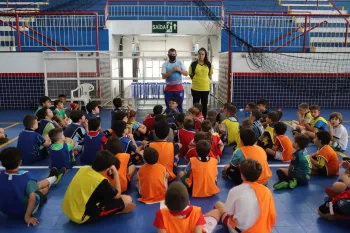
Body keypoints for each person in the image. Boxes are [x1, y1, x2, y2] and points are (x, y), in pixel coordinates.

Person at [62, 150, 136, 224]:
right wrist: (116, 174)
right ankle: (117, 210)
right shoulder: (101, 181)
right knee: (127, 199)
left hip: (68, 211)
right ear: (109, 169)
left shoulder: (83, 168)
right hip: (81, 217)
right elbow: (118, 195)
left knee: (105, 196)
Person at [0, 147, 65, 226]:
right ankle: (54, 178)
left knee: (33, 186)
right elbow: (32, 197)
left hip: (5, 210)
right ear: (20, 162)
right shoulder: (25, 175)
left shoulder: (1, 174)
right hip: (23, 211)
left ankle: (52, 178)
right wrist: (27, 216)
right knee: (41, 191)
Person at [215, 159, 276, 233]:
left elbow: (229, 212)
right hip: (262, 230)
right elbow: (271, 214)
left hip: (239, 231)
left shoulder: (235, 191)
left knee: (218, 205)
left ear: (242, 175)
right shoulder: (267, 191)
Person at [153, 182, 221, 233]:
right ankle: (202, 218)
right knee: (217, 211)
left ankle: (202, 218)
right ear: (188, 202)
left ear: (165, 203)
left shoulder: (161, 214)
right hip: (195, 221)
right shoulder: (196, 212)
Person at [161, 48, 188, 112]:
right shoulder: (165, 64)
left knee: (179, 105)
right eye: (170, 54)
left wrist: (179, 70)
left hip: (179, 88)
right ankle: (169, 120)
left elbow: (186, 74)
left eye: (173, 54)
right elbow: (163, 76)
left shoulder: (180, 62)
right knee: (169, 106)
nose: (172, 55)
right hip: (169, 88)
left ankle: (180, 120)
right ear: (168, 55)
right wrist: (172, 71)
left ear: (176, 55)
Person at [189, 48, 213, 119]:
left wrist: (205, 80)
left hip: (205, 88)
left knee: (204, 105)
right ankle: (194, 119)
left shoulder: (208, 64)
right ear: (197, 55)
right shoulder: (193, 64)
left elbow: (210, 74)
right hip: (196, 88)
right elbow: (190, 75)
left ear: (205, 55)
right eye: (199, 54)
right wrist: (197, 80)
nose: (201, 56)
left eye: (202, 54)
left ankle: (204, 119)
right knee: (196, 105)